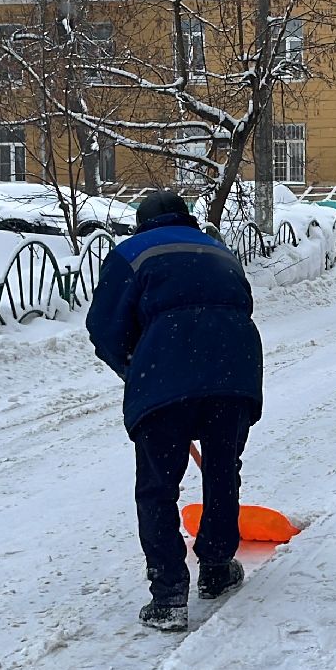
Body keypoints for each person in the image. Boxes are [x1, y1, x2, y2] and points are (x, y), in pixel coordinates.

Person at [87, 190, 264, 631]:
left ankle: (168, 596)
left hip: (166, 379)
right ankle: (218, 569)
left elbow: (103, 328)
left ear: (142, 222)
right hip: (234, 375)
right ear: (185, 218)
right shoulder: (219, 250)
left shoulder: (130, 253)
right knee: (222, 470)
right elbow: (241, 305)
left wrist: (138, 369)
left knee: (157, 487)